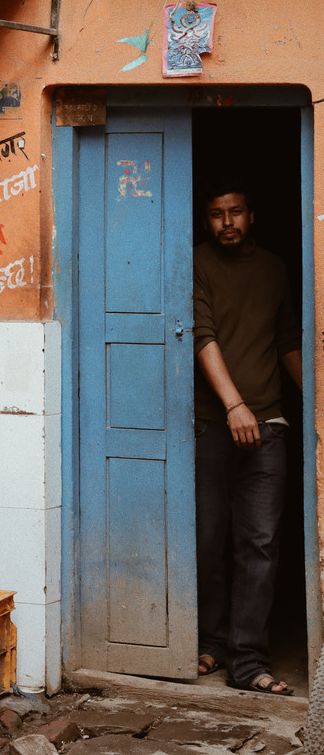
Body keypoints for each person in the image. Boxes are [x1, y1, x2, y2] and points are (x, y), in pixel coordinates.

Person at [193, 181, 302, 696]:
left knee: (258, 545)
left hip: (269, 427)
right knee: (209, 541)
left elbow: (287, 343)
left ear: (252, 216)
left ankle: (248, 661)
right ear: (207, 220)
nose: (227, 223)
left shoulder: (276, 268)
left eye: (235, 212)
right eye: (216, 215)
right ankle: (210, 643)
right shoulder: (195, 262)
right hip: (212, 424)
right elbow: (201, 335)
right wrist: (235, 405)